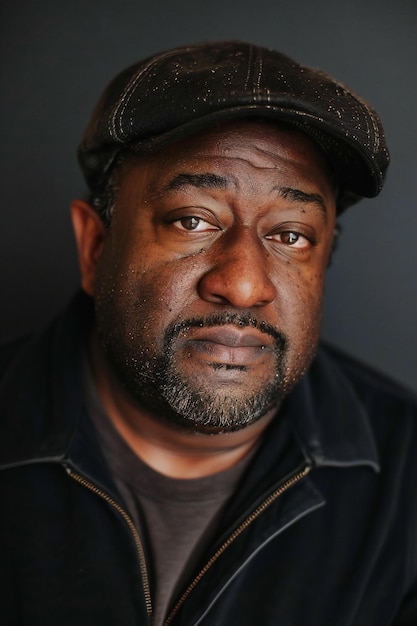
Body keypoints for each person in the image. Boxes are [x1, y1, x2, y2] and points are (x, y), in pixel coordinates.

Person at [0, 41, 416, 626]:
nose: (244, 286)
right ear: (95, 247)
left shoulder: (407, 484)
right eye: (191, 220)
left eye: (292, 235)